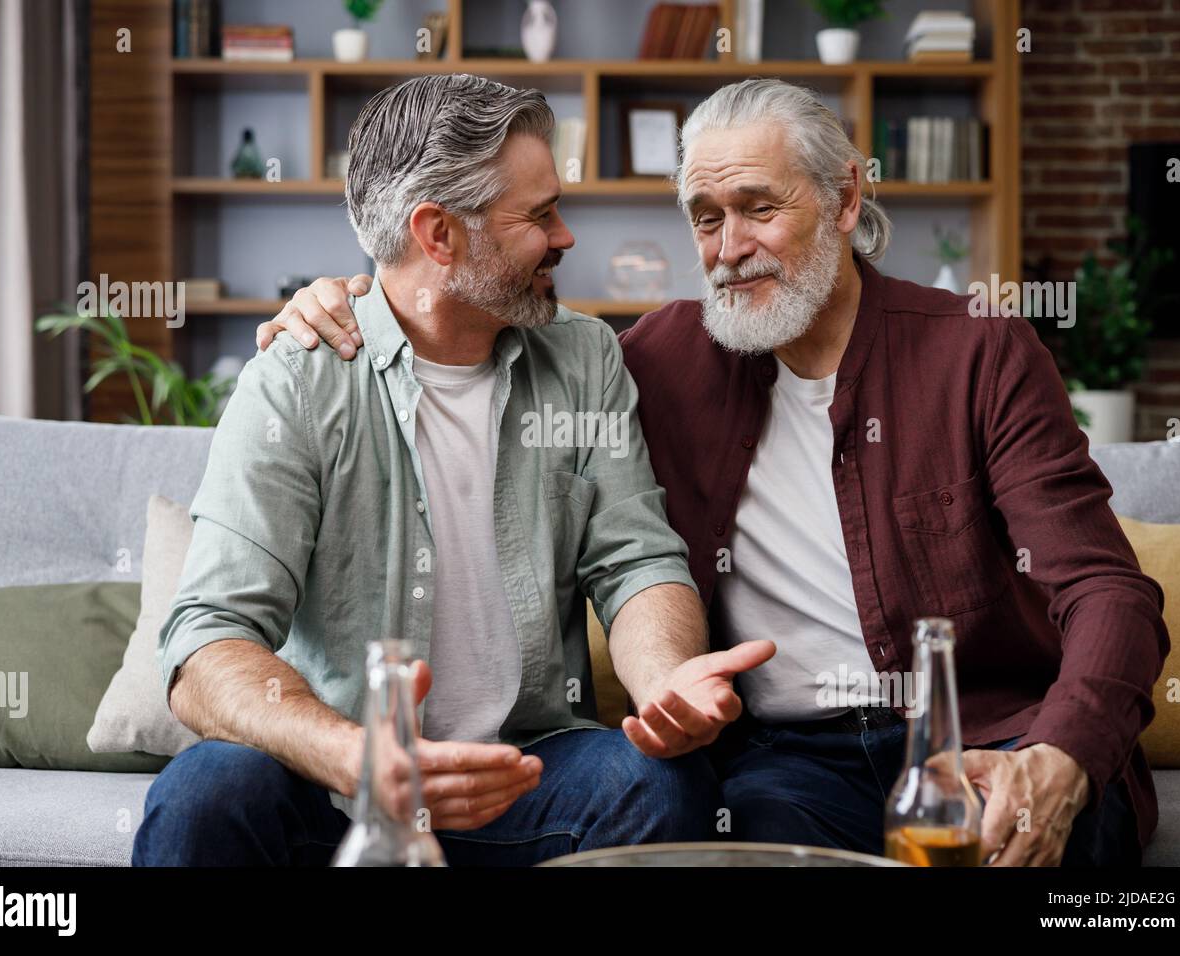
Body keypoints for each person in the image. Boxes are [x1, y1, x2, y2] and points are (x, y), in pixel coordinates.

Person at [263, 78, 1170, 866]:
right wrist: (344, 299)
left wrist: (1060, 757)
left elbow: (1108, 593)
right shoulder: (651, 359)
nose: (728, 246)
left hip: (988, 731)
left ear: (847, 198)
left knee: (1059, 853)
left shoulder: (980, 353)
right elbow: (449, 297)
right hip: (792, 761)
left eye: (758, 207)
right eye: (705, 217)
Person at [134, 73, 776, 867]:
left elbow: (634, 557)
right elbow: (208, 638)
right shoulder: (298, 377)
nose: (566, 235)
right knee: (205, 795)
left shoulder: (584, 358)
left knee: (663, 786)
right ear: (439, 234)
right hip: (338, 785)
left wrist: (666, 683)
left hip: (525, 772)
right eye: (539, 215)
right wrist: (355, 754)